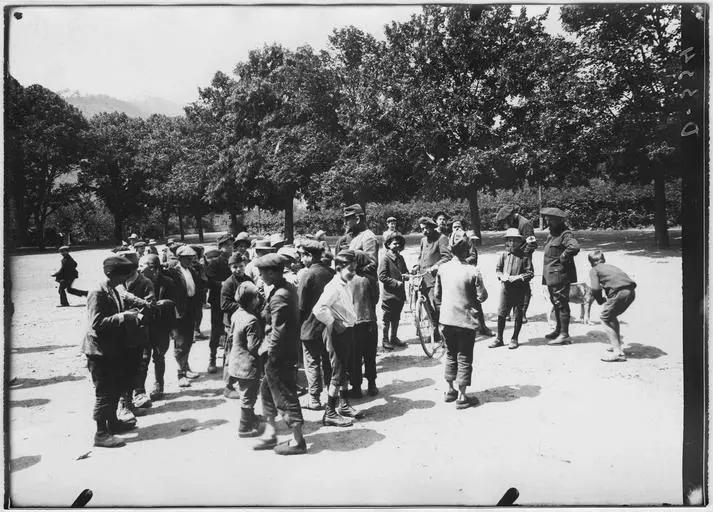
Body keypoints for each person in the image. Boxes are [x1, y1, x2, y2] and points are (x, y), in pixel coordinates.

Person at [82, 255, 139, 448]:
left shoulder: (113, 289)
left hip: (111, 349)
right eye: (122, 275)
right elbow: (96, 324)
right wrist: (123, 317)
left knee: (115, 388)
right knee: (104, 392)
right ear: (110, 274)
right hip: (99, 352)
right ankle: (100, 433)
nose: (125, 279)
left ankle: (113, 423)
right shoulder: (97, 292)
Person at [252, 253, 306, 455]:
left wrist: (272, 357)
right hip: (279, 350)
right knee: (266, 392)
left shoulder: (281, 295)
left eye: (263, 272)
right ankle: (271, 434)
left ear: (274, 272)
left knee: (285, 394)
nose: (260, 276)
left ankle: (298, 441)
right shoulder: (282, 288)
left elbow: (278, 330)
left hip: (279, 353)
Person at [435, 231, 488, 410]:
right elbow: (482, 297)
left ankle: (450, 390)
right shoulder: (473, 271)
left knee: (450, 354)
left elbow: (437, 295)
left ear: (451, 249)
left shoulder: (442, 269)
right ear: (467, 249)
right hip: (465, 321)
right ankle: (462, 396)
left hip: (446, 320)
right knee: (464, 356)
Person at [313, 250, 362, 427]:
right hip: (337, 334)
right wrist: (334, 322)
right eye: (351, 269)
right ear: (339, 268)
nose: (354, 272)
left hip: (348, 331)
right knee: (337, 372)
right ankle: (330, 413)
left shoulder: (345, 282)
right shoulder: (333, 287)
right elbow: (318, 309)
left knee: (345, 370)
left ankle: (344, 405)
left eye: (355, 269)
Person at [115, 253, 154, 419]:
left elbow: (151, 309)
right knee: (121, 370)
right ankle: (123, 405)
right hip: (120, 334)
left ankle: (131, 401)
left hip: (137, 333)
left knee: (135, 367)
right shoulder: (117, 283)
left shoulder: (145, 283)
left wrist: (134, 310)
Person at [297, 240, 334, 410]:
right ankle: (333, 395)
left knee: (311, 362)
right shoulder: (331, 272)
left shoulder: (307, 274)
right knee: (328, 360)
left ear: (309, 256)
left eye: (302, 255)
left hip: (310, 325)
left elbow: (301, 305)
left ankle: (314, 399)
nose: (301, 259)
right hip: (328, 324)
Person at [134, 254, 177, 402]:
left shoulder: (168, 282)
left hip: (161, 326)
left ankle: (159, 385)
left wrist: (166, 303)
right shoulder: (137, 284)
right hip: (144, 326)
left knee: (159, 356)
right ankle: (139, 390)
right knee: (143, 358)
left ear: (152, 267)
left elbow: (176, 302)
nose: (138, 269)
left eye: (142, 265)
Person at [228, 281, 265, 438]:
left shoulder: (237, 314)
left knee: (246, 394)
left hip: (236, 362)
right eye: (256, 297)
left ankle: (250, 417)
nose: (258, 299)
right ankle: (244, 427)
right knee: (248, 397)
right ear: (251, 301)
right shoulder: (251, 320)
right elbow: (254, 347)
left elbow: (231, 336)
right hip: (248, 365)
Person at [588, 251, 637, 362]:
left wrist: (600, 300)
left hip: (619, 293)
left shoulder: (594, 270)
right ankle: (617, 345)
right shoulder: (611, 267)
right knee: (611, 316)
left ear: (591, 263)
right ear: (603, 260)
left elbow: (595, 289)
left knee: (604, 319)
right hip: (631, 291)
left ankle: (618, 353)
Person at [540, 207, 580, 345]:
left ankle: (564, 334)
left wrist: (563, 257)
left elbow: (574, 247)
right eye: (547, 219)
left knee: (561, 303)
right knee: (555, 303)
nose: (547, 221)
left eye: (550, 219)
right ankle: (558, 330)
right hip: (551, 275)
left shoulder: (565, 234)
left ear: (558, 221)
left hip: (559, 276)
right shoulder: (552, 233)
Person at [490, 229, 534, 350]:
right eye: (510, 240)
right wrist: (501, 276)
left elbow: (530, 273)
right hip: (505, 288)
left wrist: (518, 277)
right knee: (501, 313)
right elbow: (498, 269)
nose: (512, 243)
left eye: (515, 240)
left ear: (520, 241)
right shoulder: (503, 255)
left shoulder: (525, 256)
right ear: (507, 242)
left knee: (518, 313)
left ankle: (514, 338)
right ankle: (499, 338)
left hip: (519, 289)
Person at [165, 245, 202, 387]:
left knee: (188, 341)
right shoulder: (174, 272)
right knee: (180, 343)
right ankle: (180, 374)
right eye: (186, 258)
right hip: (179, 311)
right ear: (179, 258)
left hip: (191, 309)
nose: (190, 260)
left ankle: (186, 368)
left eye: (191, 258)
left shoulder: (192, 270)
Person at [495, 205, 538, 323]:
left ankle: (522, 312)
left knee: (523, 285)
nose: (504, 225)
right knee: (508, 283)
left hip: (523, 258)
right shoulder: (513, 223)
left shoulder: (525, 224)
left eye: (505, 222)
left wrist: (521, 256)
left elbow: (532, 244)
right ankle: (507, 311)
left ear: (510, 217)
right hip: (510, 257)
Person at [220, 252, 254, 398]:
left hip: (246, 321)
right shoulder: (228, 283)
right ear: (230, 268)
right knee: (231, 353)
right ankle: (227, 387)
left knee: (244, 352)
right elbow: (224, 305)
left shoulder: (248, 279)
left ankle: (241, 380)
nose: (238, 269)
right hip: (232, 323)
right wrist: (243, 305)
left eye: (241, 266)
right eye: (235, 267)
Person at [414, 216, 451, 340]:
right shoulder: (423, 240)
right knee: (427, 307)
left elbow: (447, 257)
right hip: (423, 279)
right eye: (422, 229)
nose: (424, 231)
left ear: (431, 227)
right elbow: (421, 257)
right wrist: (416, 265)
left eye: (426, 229)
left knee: (437, 305)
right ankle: (434, 331)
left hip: (435, 279)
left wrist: (436, 266)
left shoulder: (442, 238)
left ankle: (446, 332)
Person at [349, 250, 380, 398]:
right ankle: (372, 385)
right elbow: (375, 299)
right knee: (370, 355)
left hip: (354, 322)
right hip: (370, 321)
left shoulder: (348, 280)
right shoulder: (370, 279)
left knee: (355, 356)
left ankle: (356, 388)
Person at [378, 233, 409, 351]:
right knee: (387, 317)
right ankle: (385, 340)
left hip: (400, 294)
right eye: (394, 243)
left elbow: (405, 271)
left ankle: (394, 337)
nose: (397, 245)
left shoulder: (401, 258)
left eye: (398, 243)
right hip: (389, 294)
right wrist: (396, 283)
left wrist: (407, 275)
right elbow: (382, 277)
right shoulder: (385, 259)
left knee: (396, 316)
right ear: (388, 245)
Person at [205, 243, 232, 374]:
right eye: (228, 245)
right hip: (217, 302)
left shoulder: (235, 260)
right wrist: (222, 284)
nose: (230, 247)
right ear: (221, 247)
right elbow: (208, 281)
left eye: (232, 245)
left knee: (231, 330)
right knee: (216, 330)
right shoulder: (215, 262)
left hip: (232, 302)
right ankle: (212, 358)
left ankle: (228, 359)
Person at [464, 230, 494, 337]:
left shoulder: (471, 248)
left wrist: (461, 261)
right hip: (461, 275)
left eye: (473, 240)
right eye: (471, 240)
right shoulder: (457, 244)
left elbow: (473, 258)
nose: (473, 242)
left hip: (470, 275)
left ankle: (482, 326)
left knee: (476, 302)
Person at [344, 204, 379, 274]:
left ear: (357, 219)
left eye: (347, 220)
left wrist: (353, 270)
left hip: (364, 282)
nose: (345, 223)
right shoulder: (357, 237)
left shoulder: (369, 237)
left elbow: (372, 266)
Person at [191, 245, 209, 340]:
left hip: (199, 293)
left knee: (198, 313)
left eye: (195, 256)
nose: (193, 258)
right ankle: (192, 333)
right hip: (189, 294)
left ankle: (196, 331)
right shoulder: (186, 267)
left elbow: (204, 278)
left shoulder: (199, 266)